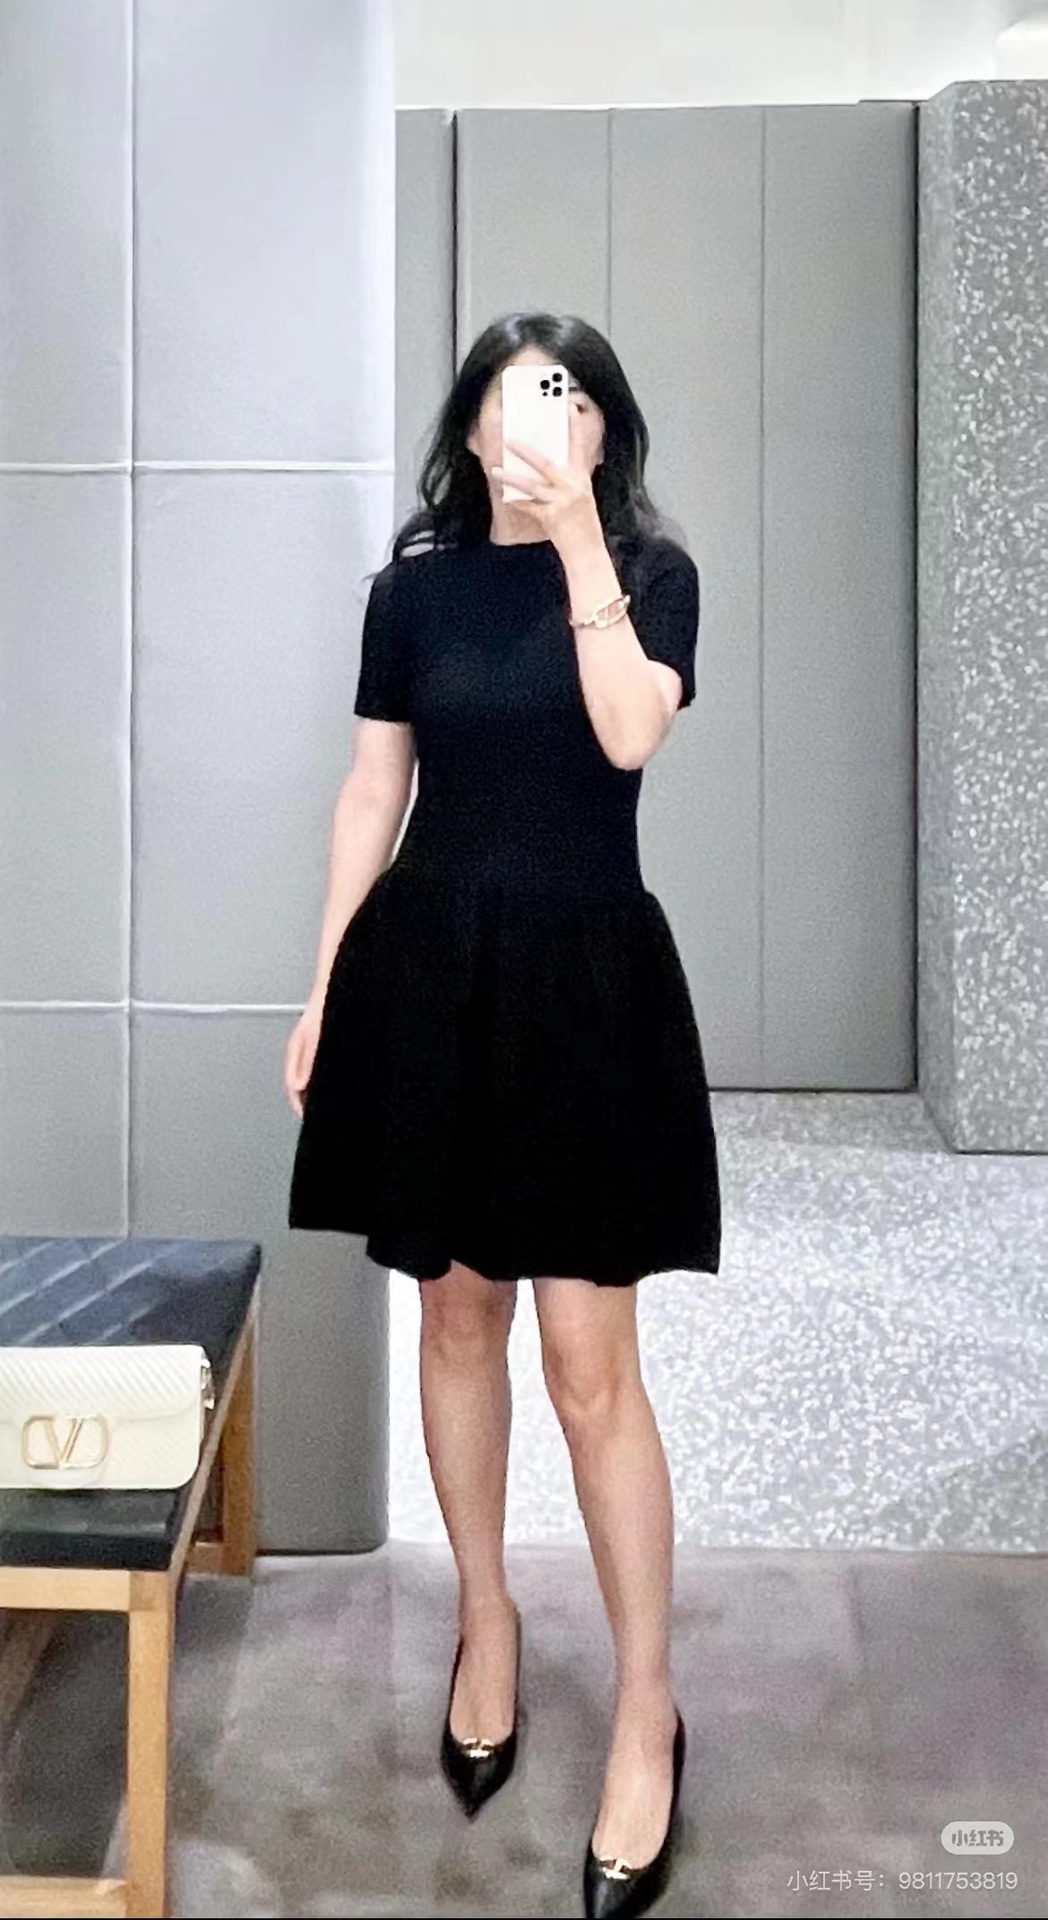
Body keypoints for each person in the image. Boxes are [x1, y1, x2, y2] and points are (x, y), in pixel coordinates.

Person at [285, 311, 721, 1920]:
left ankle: (650, 1706)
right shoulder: (412, 592)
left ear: (607, 429)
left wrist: (583, 535)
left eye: (575, 397)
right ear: (470, 429)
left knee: (591, 1366)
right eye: (519, 396)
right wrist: (326, 987)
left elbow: (629, 732)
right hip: (431, 975)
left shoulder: (651, 575)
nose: (546, 420)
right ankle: (487, 1617)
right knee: (456, 1317)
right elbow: (372, 791)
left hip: (586, 984)